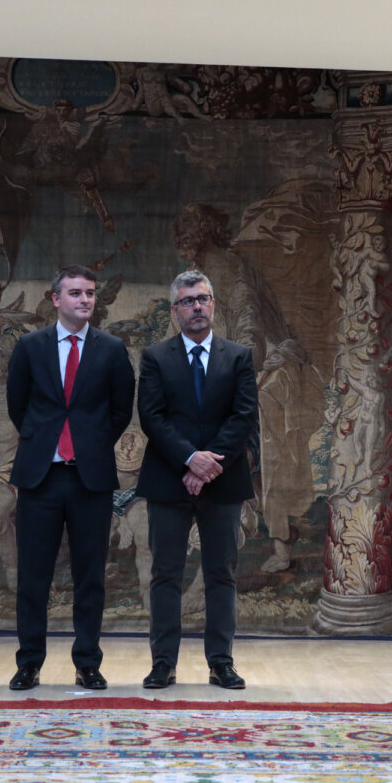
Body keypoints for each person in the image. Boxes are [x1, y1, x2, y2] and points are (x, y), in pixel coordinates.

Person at [5, 265, 135, 691]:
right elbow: (18, 406)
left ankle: (88, 663)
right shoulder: (30, 346)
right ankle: (29, 663)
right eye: (76, 293)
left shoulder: (112, 349)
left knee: (90, 576)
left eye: (90, 293)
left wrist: (89, 444)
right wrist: (46, 442)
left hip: (89, 478)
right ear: (55, 298)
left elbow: (120, 410)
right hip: (40, 478)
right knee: (33, 577)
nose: (85, 300)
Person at [136, 270, 259, 690]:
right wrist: (190, 460)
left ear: (214, 304)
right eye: (188, 301)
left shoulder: (238, 356)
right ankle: (163, 664)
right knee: (165, 574)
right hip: (168, 479)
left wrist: (207, 465)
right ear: (175, 310)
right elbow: (152, 416)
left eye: (203, 298)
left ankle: (221, 663)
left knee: (221, 574)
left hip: (223, 481)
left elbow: (244, 416)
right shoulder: (155, 356)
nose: (197, 307)